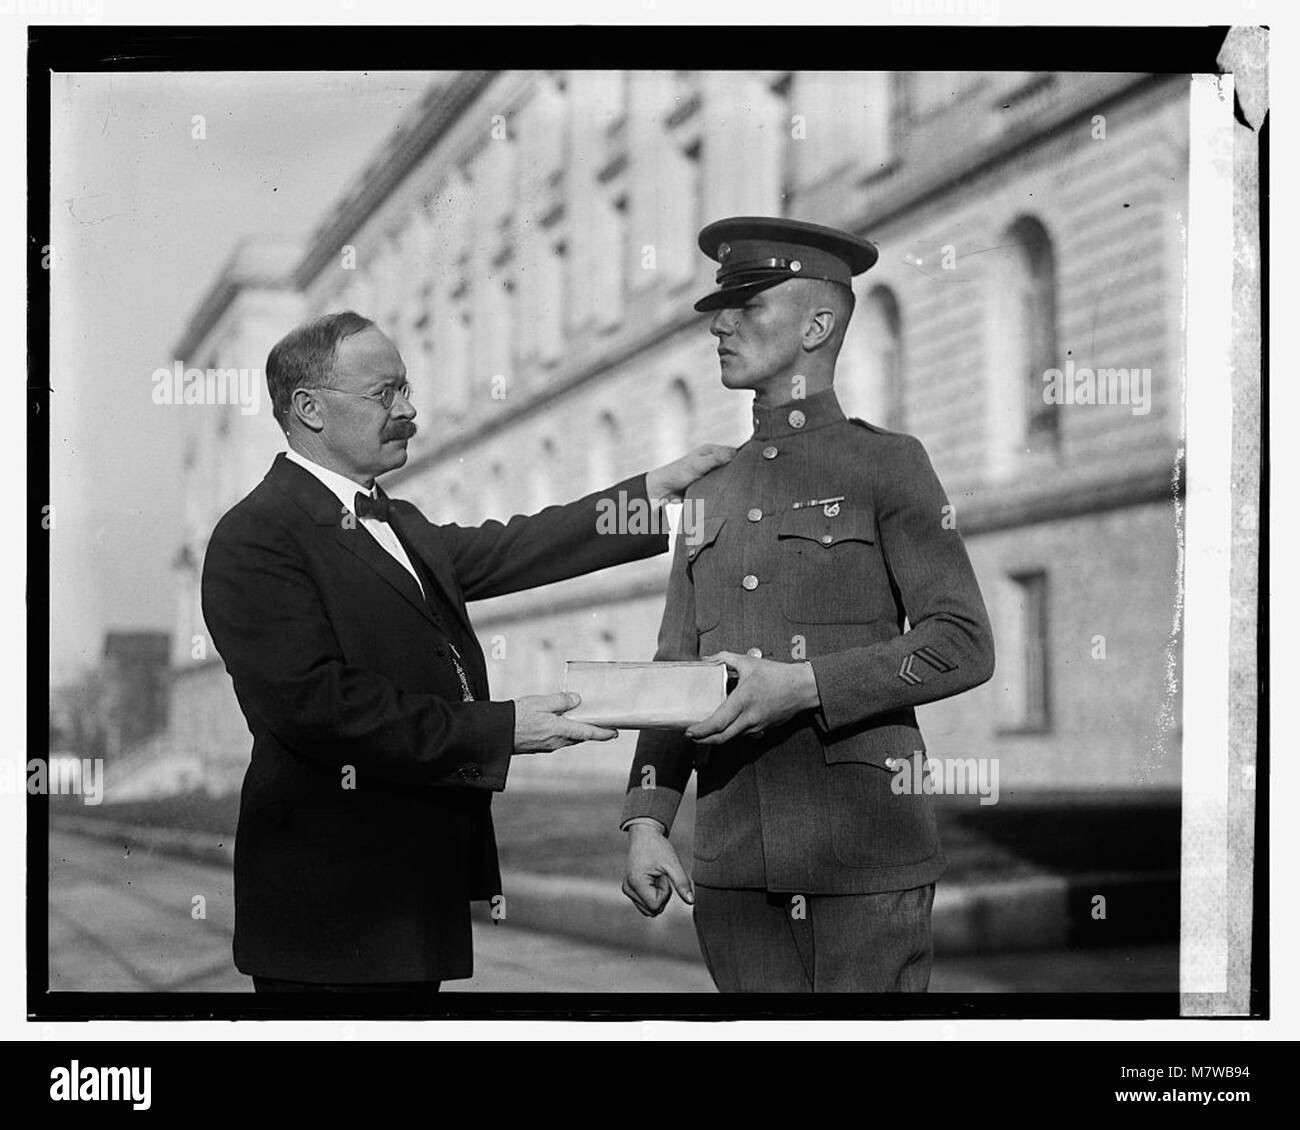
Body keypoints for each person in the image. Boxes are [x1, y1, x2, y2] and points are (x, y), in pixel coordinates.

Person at [201, 311, 732, 992]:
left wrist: (652, 495)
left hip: (414, 904)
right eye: (385, 393)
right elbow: (319, 708)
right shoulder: (256, 537)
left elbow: (518, 545)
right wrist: (506, 729)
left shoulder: (400, 522)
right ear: (310, 409)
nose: (410, 409)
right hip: (329, 920)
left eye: (406, 389)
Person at [620, 217, 995, 992]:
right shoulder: (707, 488)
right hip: (733, 861)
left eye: (750, 306)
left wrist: (805, 685)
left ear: (818, 325)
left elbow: (962, 641)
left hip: (862, 853)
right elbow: (673, 667)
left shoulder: (886, 464)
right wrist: (648, 820)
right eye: (724, 308)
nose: (721, 324)